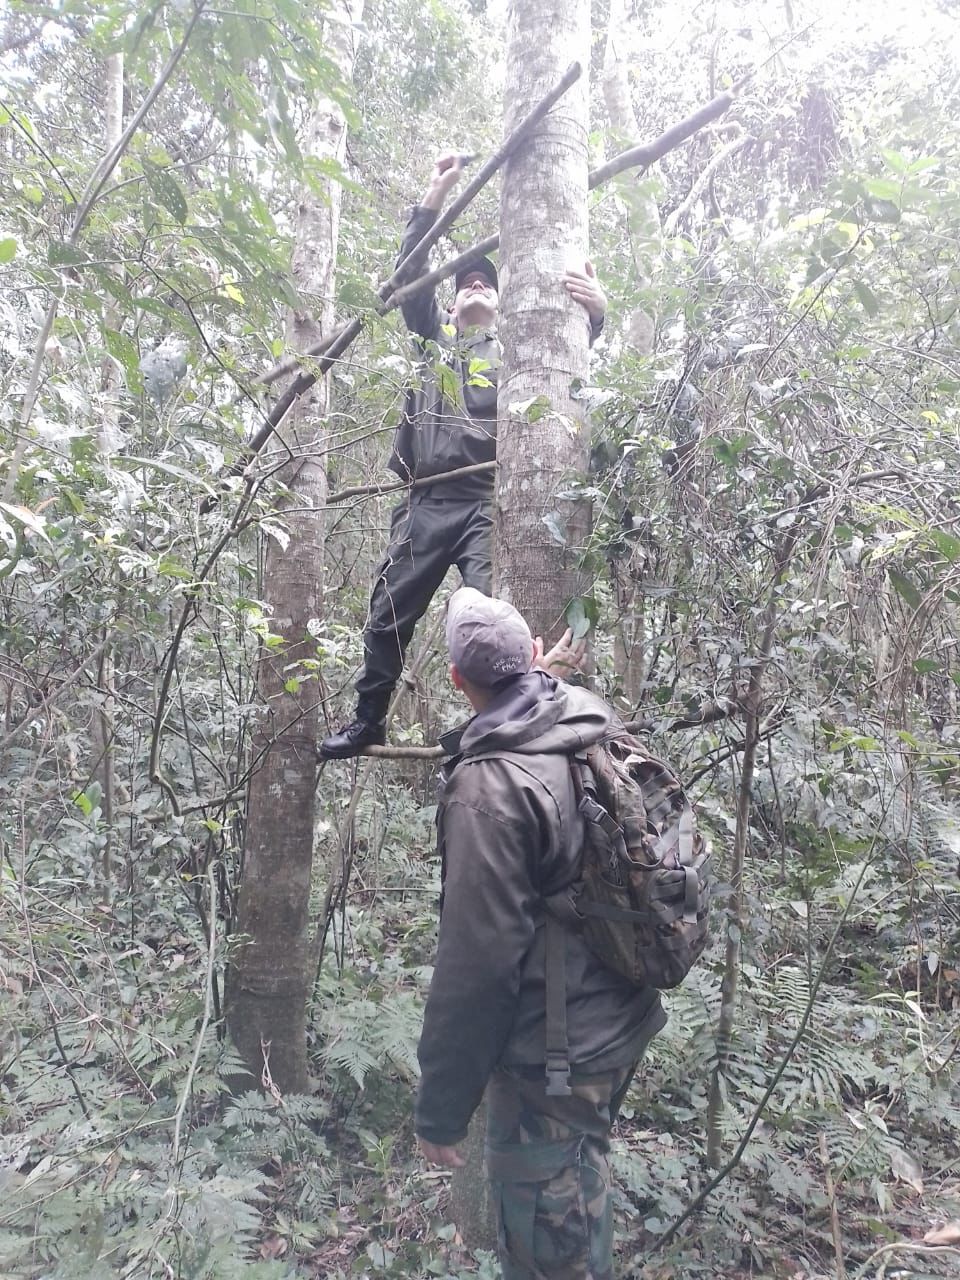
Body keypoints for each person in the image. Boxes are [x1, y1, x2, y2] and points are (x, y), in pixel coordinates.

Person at [415, 587, 667, 1280]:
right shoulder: (587, 717)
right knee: (580, 1186)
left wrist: (441, 1110)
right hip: (622, 1014)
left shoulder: (489, 789)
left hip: (558, 1054)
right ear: (534, 656)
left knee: (548, 1243)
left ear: (455, 680)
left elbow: (478, 966)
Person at [319, 153, 607, 759]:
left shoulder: (520, 351)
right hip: (426, 500)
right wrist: (435, 191)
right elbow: (410, 274)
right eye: (464, 285)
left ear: (505, 305)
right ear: (449, 307)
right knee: (389, 612)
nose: (475, 286)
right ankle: (368, 719)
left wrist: (594, 316)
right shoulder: (431, 346)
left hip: (484, 501)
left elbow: (566, 377)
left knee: (499, 626)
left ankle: (513, 724)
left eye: (486, 283)